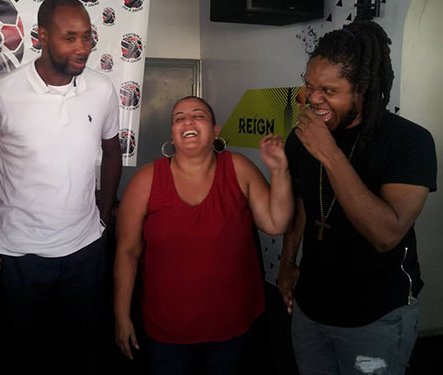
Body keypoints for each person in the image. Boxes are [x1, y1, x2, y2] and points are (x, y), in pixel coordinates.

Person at [0, 0, 122, 374]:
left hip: (85, 252)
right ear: (41, 36)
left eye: (87, 37)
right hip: (19, 256)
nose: (83, 48)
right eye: (70, 38)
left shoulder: (102, 89)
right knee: (24, 358)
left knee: (83, 355)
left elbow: (113, 152)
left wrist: (102, 218)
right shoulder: (3, 93)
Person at [279, 20, 437, 375]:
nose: (312, 99)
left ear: (362, 88)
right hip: (311, 308)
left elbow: (386, 235)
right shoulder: (302, 135)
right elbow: (304, 203)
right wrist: (288, 262)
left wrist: (330, 153)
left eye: (329, 90)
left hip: (377, 316)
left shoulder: (409, 142)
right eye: (309, 85)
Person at [114, 96, 293, 375]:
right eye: (178, 118)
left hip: (232, 326)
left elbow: (275, 223)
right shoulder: (146, 180)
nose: (187, 121)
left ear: (216, 130)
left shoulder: (239, 167)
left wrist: (280, 171)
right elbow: (127, 252)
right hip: (166, 331)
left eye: (198, 115)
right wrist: (121, 315)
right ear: (172, 134)